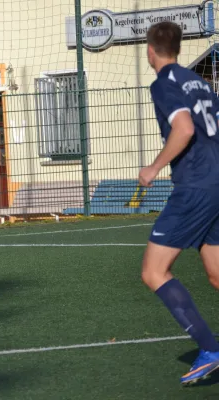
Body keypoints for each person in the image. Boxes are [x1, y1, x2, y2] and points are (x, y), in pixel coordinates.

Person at [139, 21, 219, 385]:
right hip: (215, 182)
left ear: (150, 50)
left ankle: (210, 350)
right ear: (179, 48)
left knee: (153, 272)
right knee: (216, 274)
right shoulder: (199, 82)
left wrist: (154, 167)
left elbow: (184, 128)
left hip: (196, 187)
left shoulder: (164, 83)